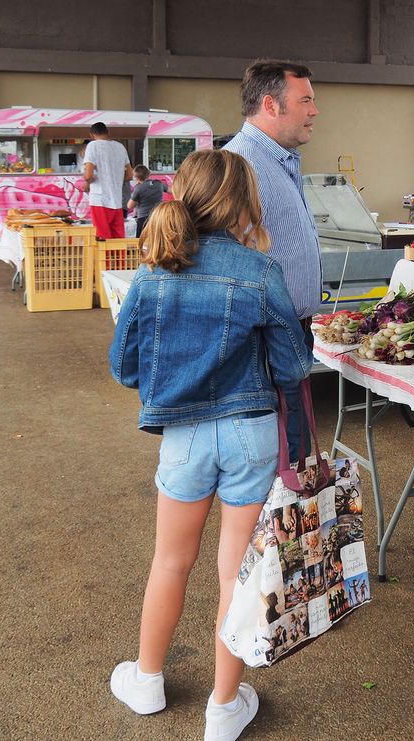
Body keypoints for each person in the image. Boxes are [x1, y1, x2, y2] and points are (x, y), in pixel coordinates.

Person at [107, 149, 312, 740]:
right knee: (236, 574)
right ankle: (224, 708)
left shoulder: (152, 271)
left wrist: (174, 375)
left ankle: (146, 680)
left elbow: (124, 367)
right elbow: (293, 365)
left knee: (170, 560)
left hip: (183, 437)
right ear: (245, 203)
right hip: (250, 434)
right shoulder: (260, 270)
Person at [223, 59, 321, 463]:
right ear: (271, 104)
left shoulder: (279, 159)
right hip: (262, 343)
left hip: (286, 335)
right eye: (306, 100)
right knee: (277, 463)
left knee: (292, 459)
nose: (315, 111)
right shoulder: (237, 165)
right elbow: (222, 261)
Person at [82, 123, 134, 239]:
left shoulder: (92, 146)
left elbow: (88, 175)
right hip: (116, 201)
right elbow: (130, 175)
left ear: (91, 135)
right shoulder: (120, 147)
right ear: (108, 132)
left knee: (102, 237)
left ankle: (104, 258)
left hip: (99, 200)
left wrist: (87, 182)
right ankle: (119, 258)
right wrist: (114, 180)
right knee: (118, 237)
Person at [127, 164, 169, 237]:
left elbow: (129, 205)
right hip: (158, 217)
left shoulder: (139, 188)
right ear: (148, 173)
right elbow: (173, 190)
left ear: (136, 178)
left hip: (143, 219)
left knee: (141, 242)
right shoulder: (159, 184)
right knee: (157, 240)